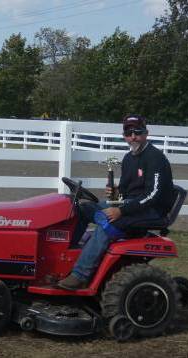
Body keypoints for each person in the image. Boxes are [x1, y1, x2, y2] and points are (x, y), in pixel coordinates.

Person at [58, 115, 175, 290]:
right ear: (124, 135)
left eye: (137, 132)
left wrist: (121, 211)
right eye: (129, 133)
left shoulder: (155, 158)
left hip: (151, 210)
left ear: (146, 133)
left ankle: (80, 275)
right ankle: (66, 261)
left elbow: (153, 195)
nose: (133, 136)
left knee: (106, 223)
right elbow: (126, 192)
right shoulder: (129, 158)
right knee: (82, 209)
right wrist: (116, 193)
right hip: (131, 205)